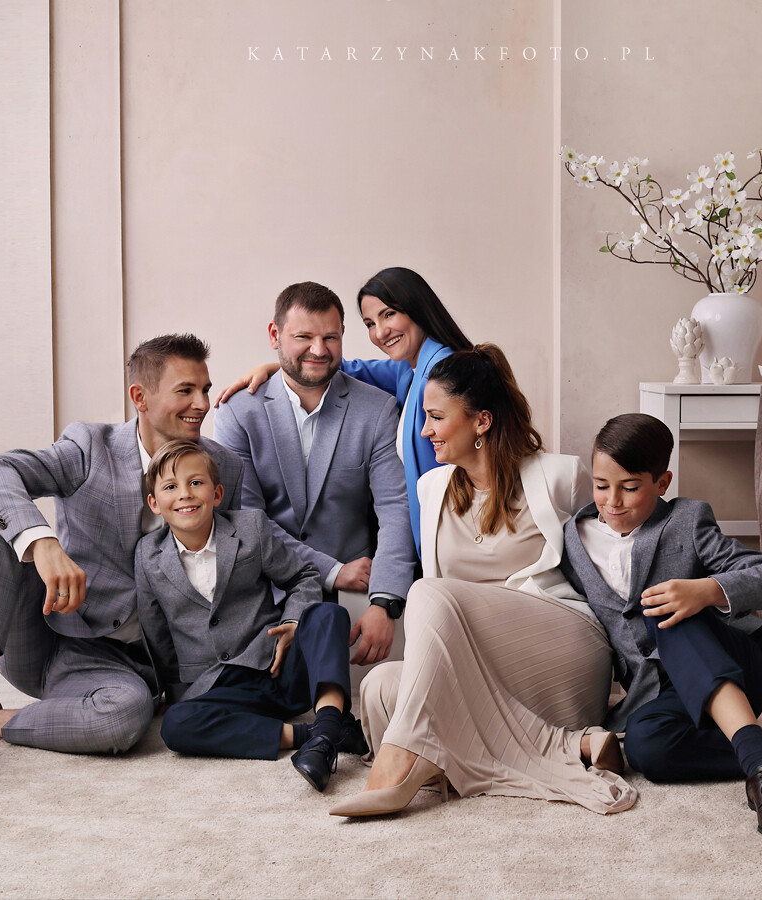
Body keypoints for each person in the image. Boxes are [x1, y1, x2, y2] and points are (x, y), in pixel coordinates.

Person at [0, 334, 244, 794]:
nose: (202, 403)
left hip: (129, 672)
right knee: (0, 521)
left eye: (205, 389)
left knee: (125, 721)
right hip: (51, 637)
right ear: (140, 397)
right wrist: (41, 542)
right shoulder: (90, 448)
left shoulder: (223, 468)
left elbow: (239, 563)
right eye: (186, 390)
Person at [329, 345, 637, 818]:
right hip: (480, 664)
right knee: (379, 687)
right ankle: (573, 745)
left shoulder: (559, 476)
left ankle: (396, 768)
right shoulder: (431, 488)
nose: (425, 430)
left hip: (560, 646)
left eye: (436, 417)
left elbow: (617, 552)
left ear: (481, 422)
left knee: (427, 593)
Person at [560, 413, 762, 842]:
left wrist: (707, 590)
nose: (612, 501)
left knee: (667, 607)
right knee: (645, 749)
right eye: (601, 485)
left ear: (662, 482)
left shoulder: (688, 521)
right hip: (660, 692)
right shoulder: (574, 537)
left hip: (733, 668)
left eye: (630, 488)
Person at [213, 281, 417, 668]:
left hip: (357, 597)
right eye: (304, 337)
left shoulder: (377, 410)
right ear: (275, 335)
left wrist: (385, 602)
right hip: (264, 591)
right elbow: (248, 520)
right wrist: (331, 571)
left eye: (330, 337)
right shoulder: (237, 412)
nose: (319, 350)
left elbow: (396, 507)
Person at [135, 440, 356, 791]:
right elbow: (157, 632)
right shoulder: (148, 556)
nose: (185, 494)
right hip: (220, 685)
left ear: (217, 493)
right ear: (154, 503)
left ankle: (327, 726)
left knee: (328, 614)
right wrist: (174, 694)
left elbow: (304, 576)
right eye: (171, 487)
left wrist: (292, 623)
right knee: (176, 726)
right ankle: (316, 735)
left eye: (196, 482)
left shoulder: (250, 527)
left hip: (278, 665)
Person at [218, 267, 472, 552]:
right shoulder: (408, 368)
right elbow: (342, 368)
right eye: (370, 323)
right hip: (430, 534)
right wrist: (281, 366)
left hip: (455, 529)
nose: (380, 332)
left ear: (418, 308)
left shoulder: (442, 372)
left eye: (389, 314)